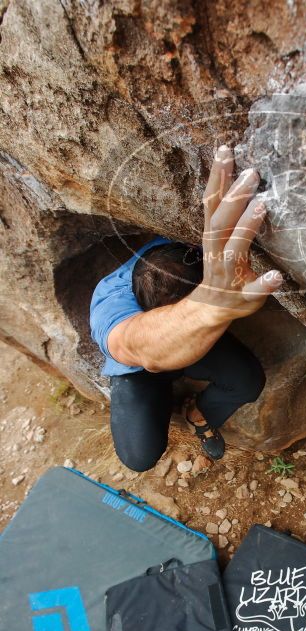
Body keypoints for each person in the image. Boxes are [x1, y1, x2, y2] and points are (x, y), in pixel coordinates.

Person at [89, 145, 283, 470]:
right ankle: (164, 394)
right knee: (138, 456)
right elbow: (132, 343)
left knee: (248, 382)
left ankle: (198, 412)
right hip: (140, 370)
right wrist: (209, 309)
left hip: (198, 340)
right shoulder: (110, 302)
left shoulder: (192, 257)